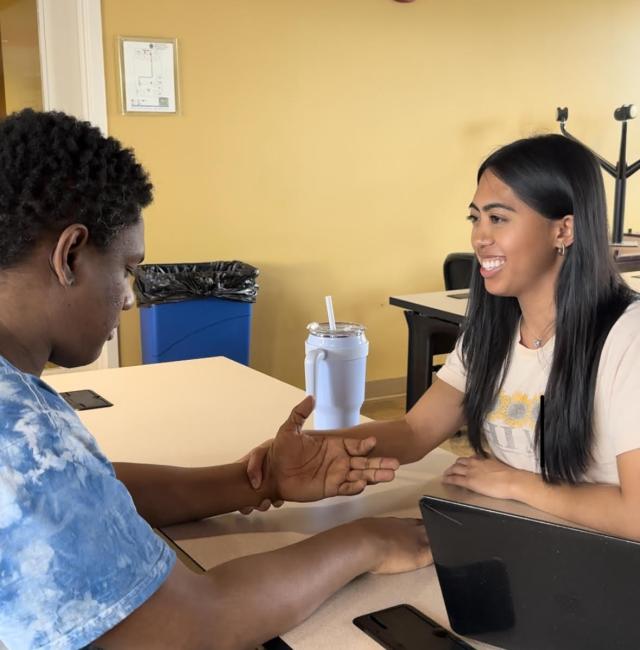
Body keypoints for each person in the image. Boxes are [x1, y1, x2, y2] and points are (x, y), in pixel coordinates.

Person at [0, 109, 431, 650]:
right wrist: (364, 541)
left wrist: (258, 480)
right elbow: (190, 626)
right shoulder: (19, 435)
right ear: (69, 255)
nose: (130, 297)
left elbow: (89, 490)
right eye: (127, 269)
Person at [248, 134, 640, 541]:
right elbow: (415, 432)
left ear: (565, 230)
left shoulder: (627, 337)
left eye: (498, 218)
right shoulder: (496, 329)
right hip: (513, 538)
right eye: (475, 218)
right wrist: (310, 448)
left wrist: (514, 483)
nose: (479, 237)